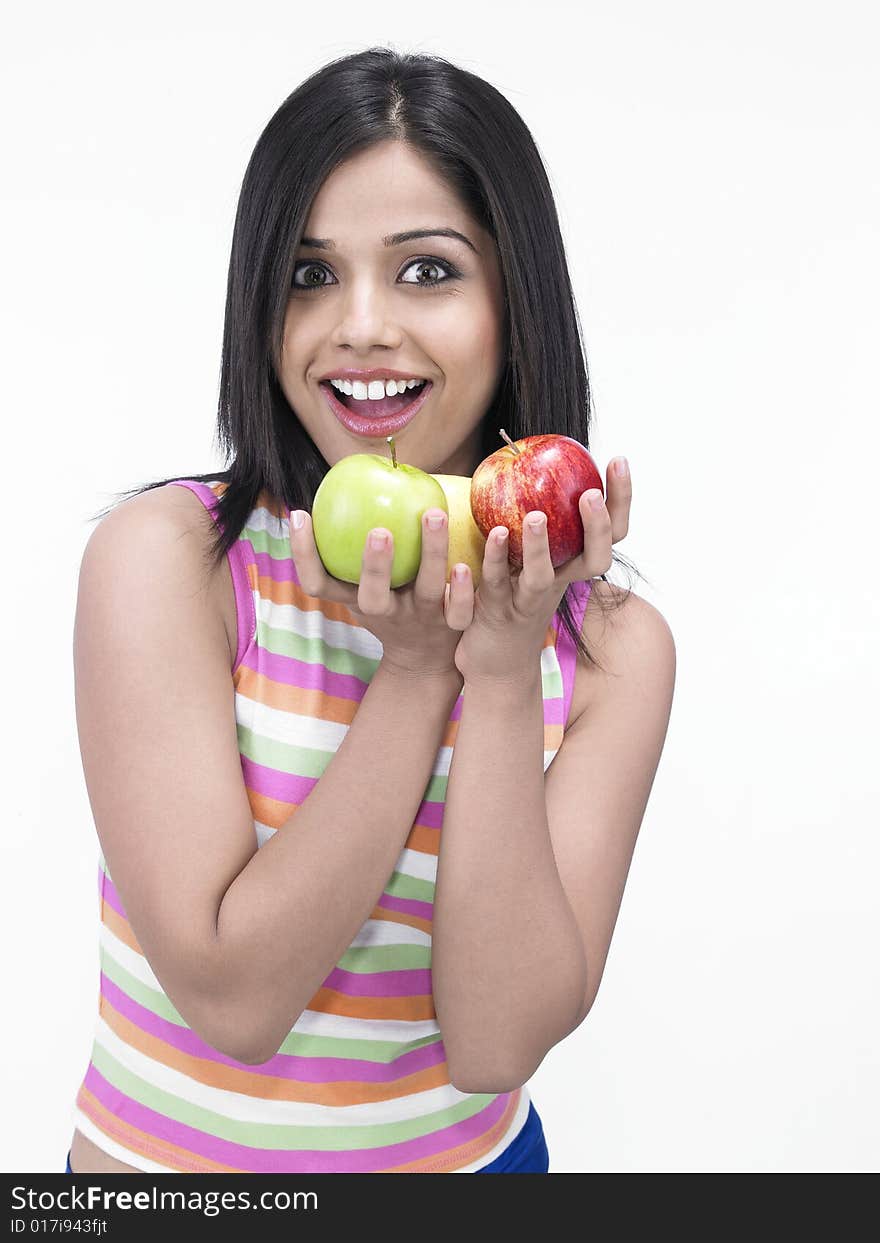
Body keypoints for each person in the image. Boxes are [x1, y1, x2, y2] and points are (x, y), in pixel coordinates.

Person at [66, 45, 675, 1175]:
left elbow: (495, 1043)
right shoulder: (169, 567)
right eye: (307, 274)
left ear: (513, 296)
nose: (358, 325)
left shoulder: (607, 649)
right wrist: (412, 673)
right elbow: (235, 1002)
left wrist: (493, 673)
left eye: (426, 271)